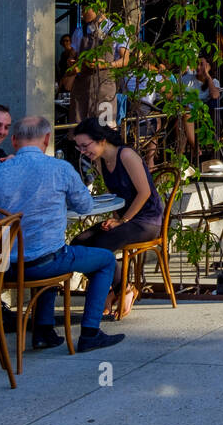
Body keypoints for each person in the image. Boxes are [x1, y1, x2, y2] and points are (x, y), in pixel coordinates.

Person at [0, 116, 125, 352]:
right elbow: (85, 207)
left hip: (5, 266)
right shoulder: (60, 169)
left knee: (48, 252)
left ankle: (44, 331)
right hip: (45, 262)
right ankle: (90, 332)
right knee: (105, 260)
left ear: (14, 140)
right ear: (47, 139)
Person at [70, 118, 165, 319]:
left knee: (100, 246)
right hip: (124, 219)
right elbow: (116, 197)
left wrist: (123, 221)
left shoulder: (126, 155)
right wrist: (113, 219)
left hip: (146, 220)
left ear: (101, 139)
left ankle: (118, 290)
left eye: (85, 145)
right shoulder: (101, 161)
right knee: (78, 244)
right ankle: (122, 288)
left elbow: (144, 193)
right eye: (79, 148)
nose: (83, 151)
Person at [69, 7, 128, 123]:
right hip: (82, 89)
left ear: (99, 8)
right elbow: (72, 56)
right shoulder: (80, 31)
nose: (82, 13)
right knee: (81, 129)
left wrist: (105, 65)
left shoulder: (117, 30)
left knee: (103, 129)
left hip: (105, 89)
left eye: (86, 9)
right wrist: (73, 63)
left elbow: (125, 60)